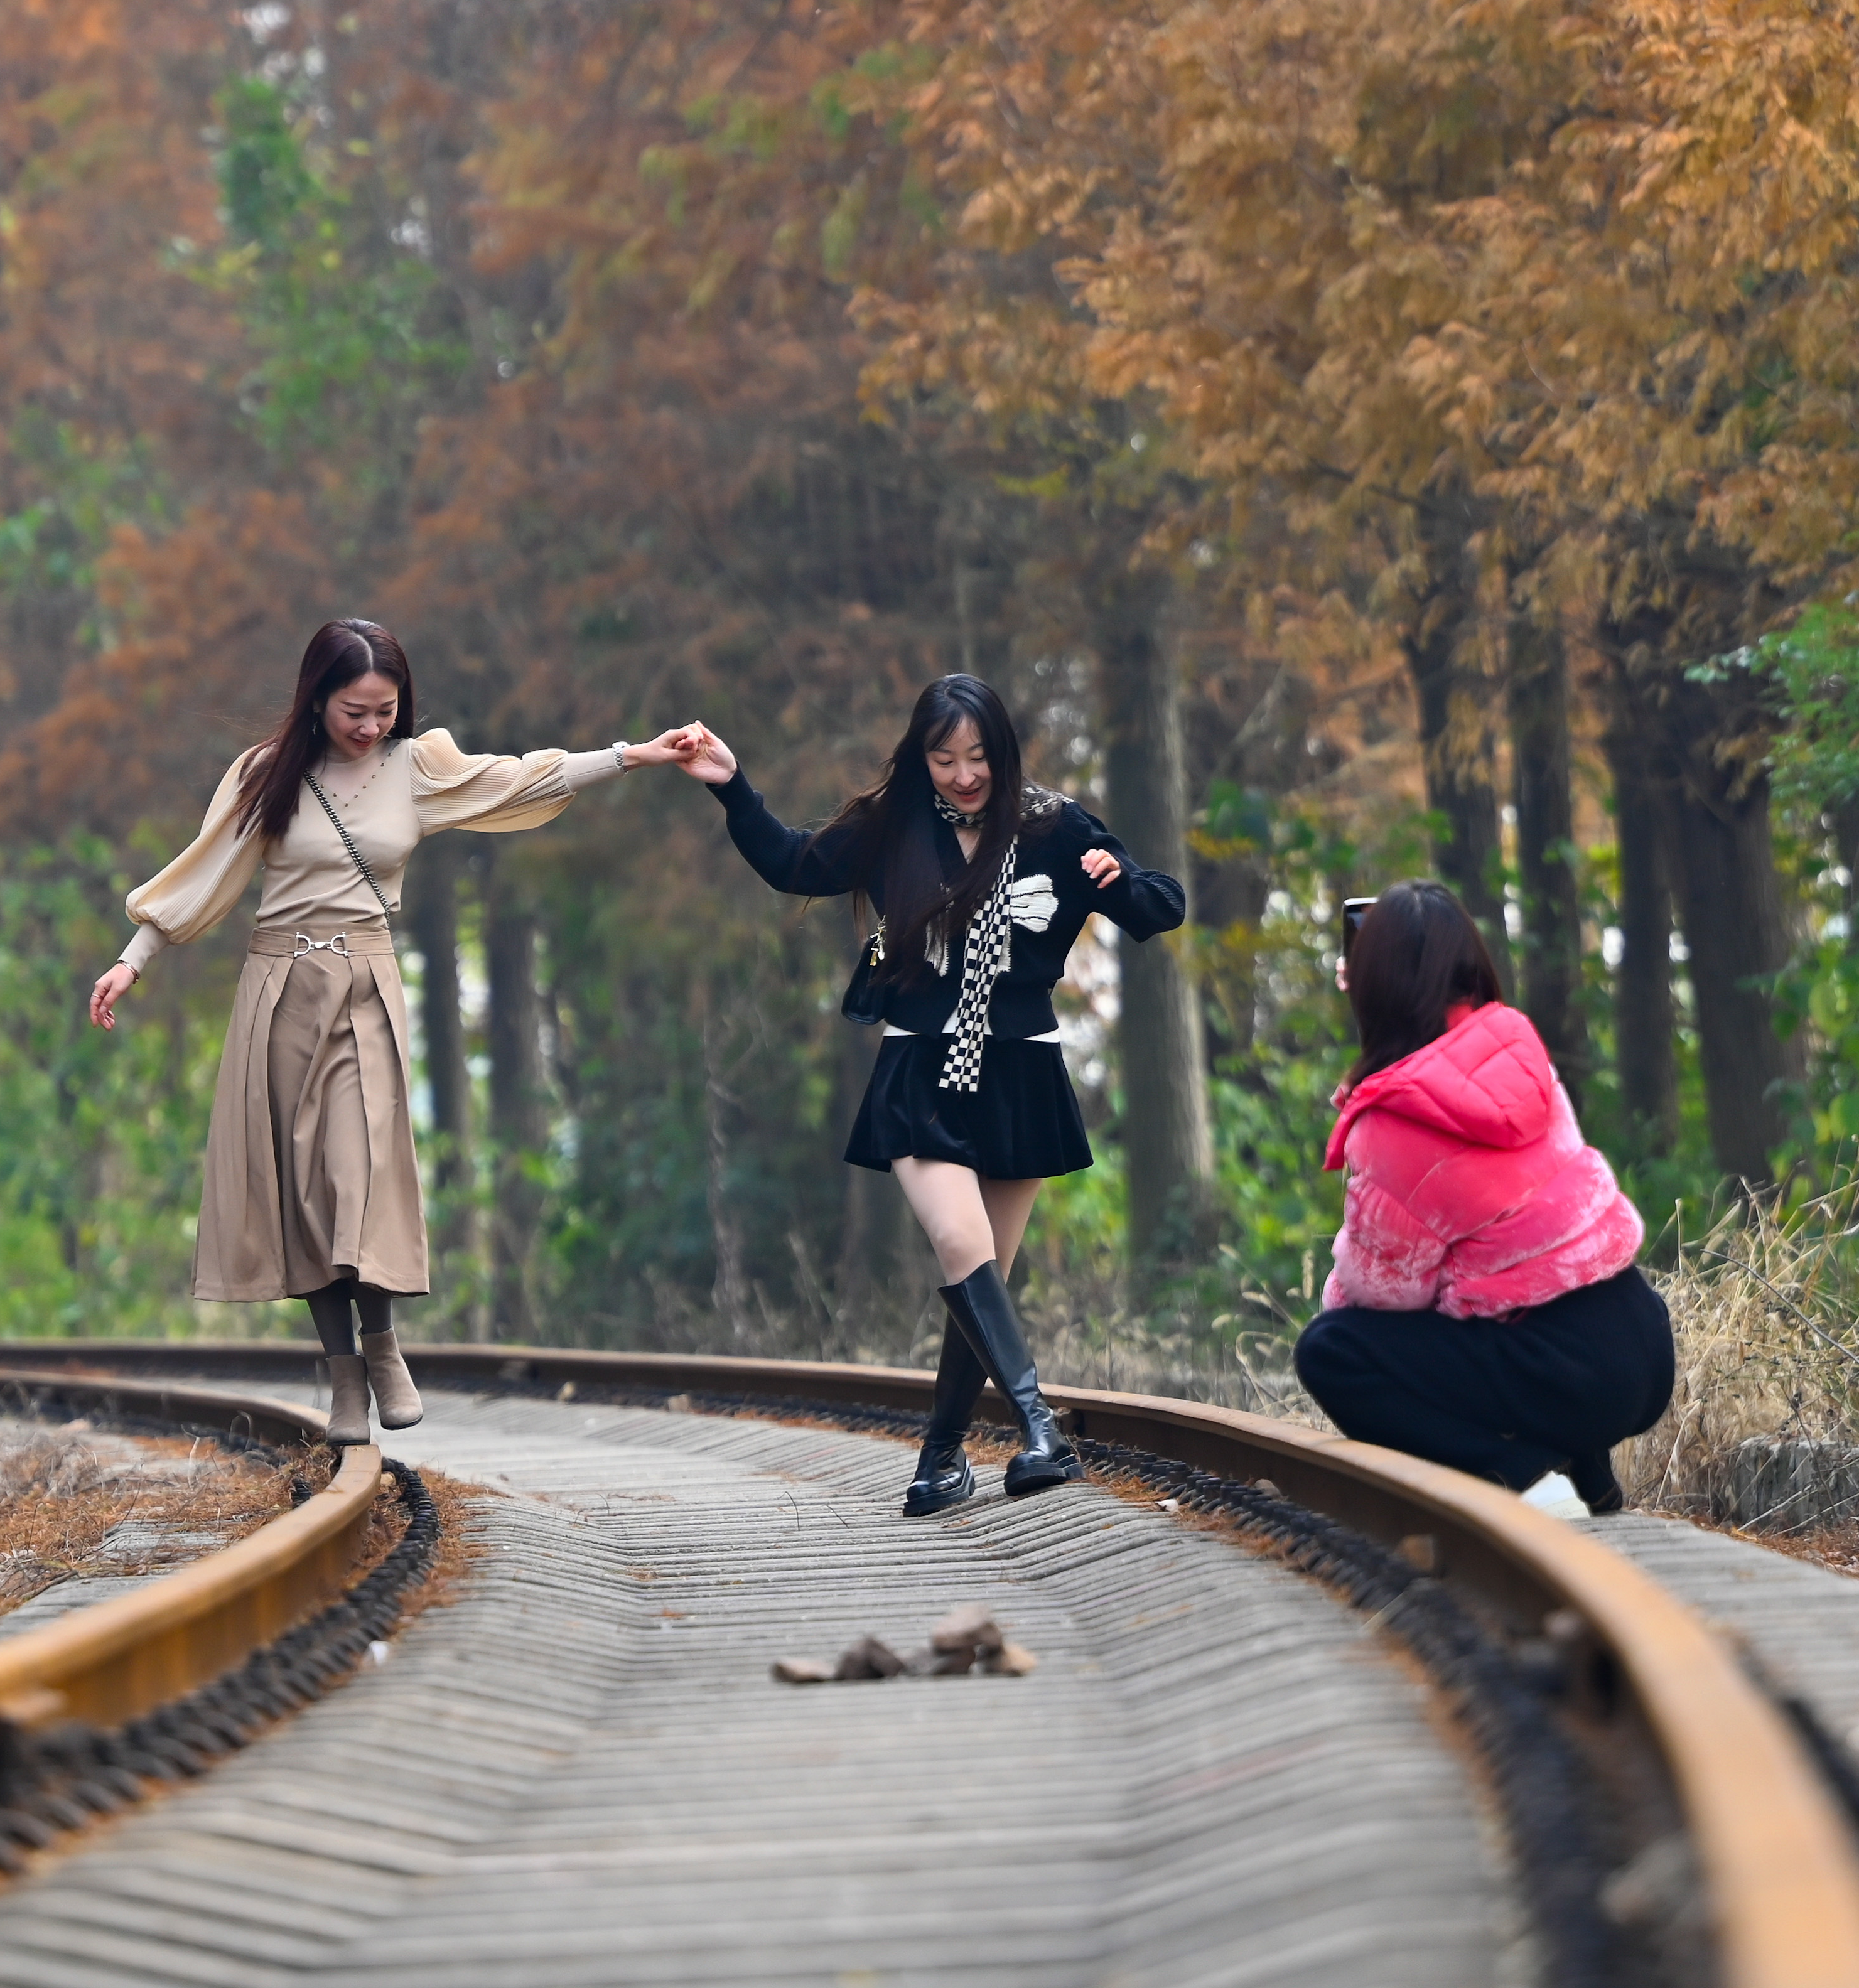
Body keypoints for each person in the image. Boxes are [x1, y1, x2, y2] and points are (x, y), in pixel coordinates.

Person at [86, 618, 702, 1443]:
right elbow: (204, 872)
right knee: (301, 1193)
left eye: (384, 708)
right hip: (278, 991)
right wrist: (133, 958)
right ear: (316, 698)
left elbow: (516, 780)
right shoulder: (266, 774)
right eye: (354, 710)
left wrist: (631, 754)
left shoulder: (414, 768)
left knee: (357, 1170)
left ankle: (381, 1348)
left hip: (364, 991)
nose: (371, 725)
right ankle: (341, 1373)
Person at [676, 679, 1186, 1510]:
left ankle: (942, 1454)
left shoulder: (1055, 827)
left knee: (980, 1279)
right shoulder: (892, 826)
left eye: (978, 756)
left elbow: (1161, 907)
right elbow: (789, 860)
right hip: (922, 1067)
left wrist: (1117, 875)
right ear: (920, 755)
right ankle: (1039, 1428)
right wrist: (731, 784)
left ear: (1004, 751)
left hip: (1021, 1070)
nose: (961, 775)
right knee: (958, 1241)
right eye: (942, 757)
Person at [1291, 883, 1671, 1513]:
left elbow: (1384, 1294)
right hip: (1642, 1342)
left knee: (1331, 1350)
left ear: (1371, 983)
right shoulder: (1516, 1048)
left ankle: (1517, 1475)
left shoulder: (1390, 1122)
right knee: (1499, 1278)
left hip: (1562, 1372)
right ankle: (1585, 1475)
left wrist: (1336, 1308)